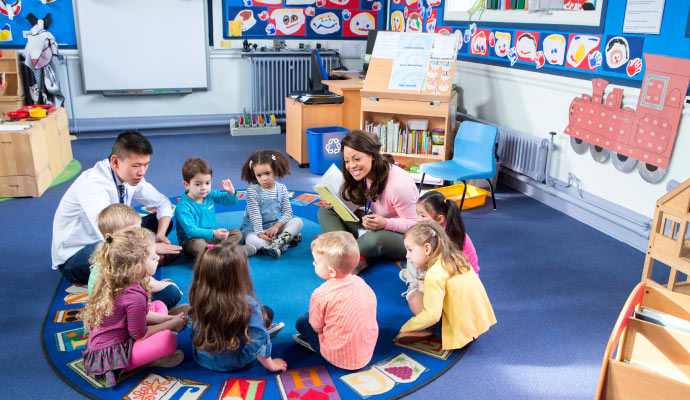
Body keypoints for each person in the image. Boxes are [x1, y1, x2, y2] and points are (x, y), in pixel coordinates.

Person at [51, 130, 181, 284]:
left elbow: (162, 203)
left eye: (146, 165)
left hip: (116, 236)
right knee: (119, 249)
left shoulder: (130, 176)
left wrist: (159, 235)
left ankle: (140, 262)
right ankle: (144, 262)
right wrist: (150, 247)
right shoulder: (93, 185)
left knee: (160, 221)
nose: (142, 172)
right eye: (136, 165)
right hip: (78, 255)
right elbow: (111, 237)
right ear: (115, 162)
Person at [82, 227, 187, 387]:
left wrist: (168, 318)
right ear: (137, 267)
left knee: (158, 305)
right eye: (153, 258)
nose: (158, 258)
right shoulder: (133, 296)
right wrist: (171, 324)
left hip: (111, 342)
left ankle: (169, 319)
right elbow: (140, 335)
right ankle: (151, 359)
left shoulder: (120, 280)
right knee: (168, 340)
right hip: (111, 359)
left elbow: (144, 315)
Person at [318, 130, 418, 274]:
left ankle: (343, 253)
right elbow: (361, 201)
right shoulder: (363, 174)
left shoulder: (398, 185)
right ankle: (353, 253)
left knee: (372, 240)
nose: (351, 165)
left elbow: (416, 225)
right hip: (373, 225)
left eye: (357, 159)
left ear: (372, 155)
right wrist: (334, 201)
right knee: (327, 210)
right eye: (347, 161)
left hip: (403, 238)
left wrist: (385, 223)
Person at [395, 221, 496, 349]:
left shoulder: (434, 274)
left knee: (415, 298)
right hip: (478, 325)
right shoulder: (456, 257)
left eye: (410, 250)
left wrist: (406, 327)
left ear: (427, 248)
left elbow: (432, 316)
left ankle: (429, 331)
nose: (407, 256)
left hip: (460, 334)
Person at [189, 244, 286, 372]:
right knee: (265, 314)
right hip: (235, 361)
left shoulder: (199, 293)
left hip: (203, 358)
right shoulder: (248, 304)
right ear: (236, 276)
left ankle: (261, 328)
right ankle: (265, 330)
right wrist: (271, 364)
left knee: (265, 312)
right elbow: (258, 340)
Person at [293, 232, 378, 370]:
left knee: (303, 321)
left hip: (338, 356)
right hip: (366, 352)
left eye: (316, 261)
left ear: (332, 271)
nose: (313, 263)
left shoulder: (321, 294)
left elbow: (317, 328)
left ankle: (317, 347)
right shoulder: (362, 284)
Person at [87, 204, 182, 310]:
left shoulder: (109, 250)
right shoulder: (125, 258)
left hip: (109, 309)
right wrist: (170, 286)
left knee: (165, 284)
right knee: (171, 291)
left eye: (139, 229)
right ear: (109, 236)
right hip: (118, 315)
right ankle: (153, 316)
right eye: (131, 232)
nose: (138, 235)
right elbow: (150, 285)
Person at [400, 191, 481, 298]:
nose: (418, 219)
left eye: (423, 216)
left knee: (416, 250)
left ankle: (415, 282)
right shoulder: (445, 228)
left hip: (460, 283)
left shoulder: (443, 238)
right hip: (465, 278)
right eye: (418, 214)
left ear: (440, 219)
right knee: (414, 248)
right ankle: (414, 278)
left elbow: (441, 266)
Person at [175, 157, 255, 259]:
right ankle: (233, 253)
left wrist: (231, 192)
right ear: (187, 185)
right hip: (192, 241)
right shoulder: (183, 207)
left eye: (207, 183)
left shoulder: (209, 194)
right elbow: (191, 231)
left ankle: (215, 253)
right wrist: (214, 233)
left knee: (237, 234)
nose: (204, 187)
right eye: (198, 184)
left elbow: (231, 202)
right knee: (199, 246)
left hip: (211, 238)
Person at [239, 150, 303, 259]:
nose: (264, 178)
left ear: (275, 170)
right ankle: (283, 241)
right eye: (259, 175)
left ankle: (276, 244)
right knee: (252, 240)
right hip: (254, 230)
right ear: (254, 175)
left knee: (298, 222)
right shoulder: (252, 191)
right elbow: (255, 216)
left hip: (273, 228)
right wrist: (260, 233)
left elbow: (287, 212)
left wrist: (276, 227)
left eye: (267, 173)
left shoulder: (281, 188)